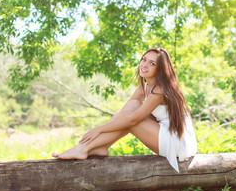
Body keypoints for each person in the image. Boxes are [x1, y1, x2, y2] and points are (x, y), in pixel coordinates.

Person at [52, 48, 197, 172]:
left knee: (132, 120)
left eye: (152, 64)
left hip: (176, 141)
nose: (144, 65)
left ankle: (83, 148)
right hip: (163, 130)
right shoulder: (145, 86)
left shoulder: (159, 90)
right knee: (132, 106)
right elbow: (125, 112)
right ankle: (97, 147)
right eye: (144, 60)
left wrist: (99, 129)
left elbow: (133, 120)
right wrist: (103, 129)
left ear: (160, 69)